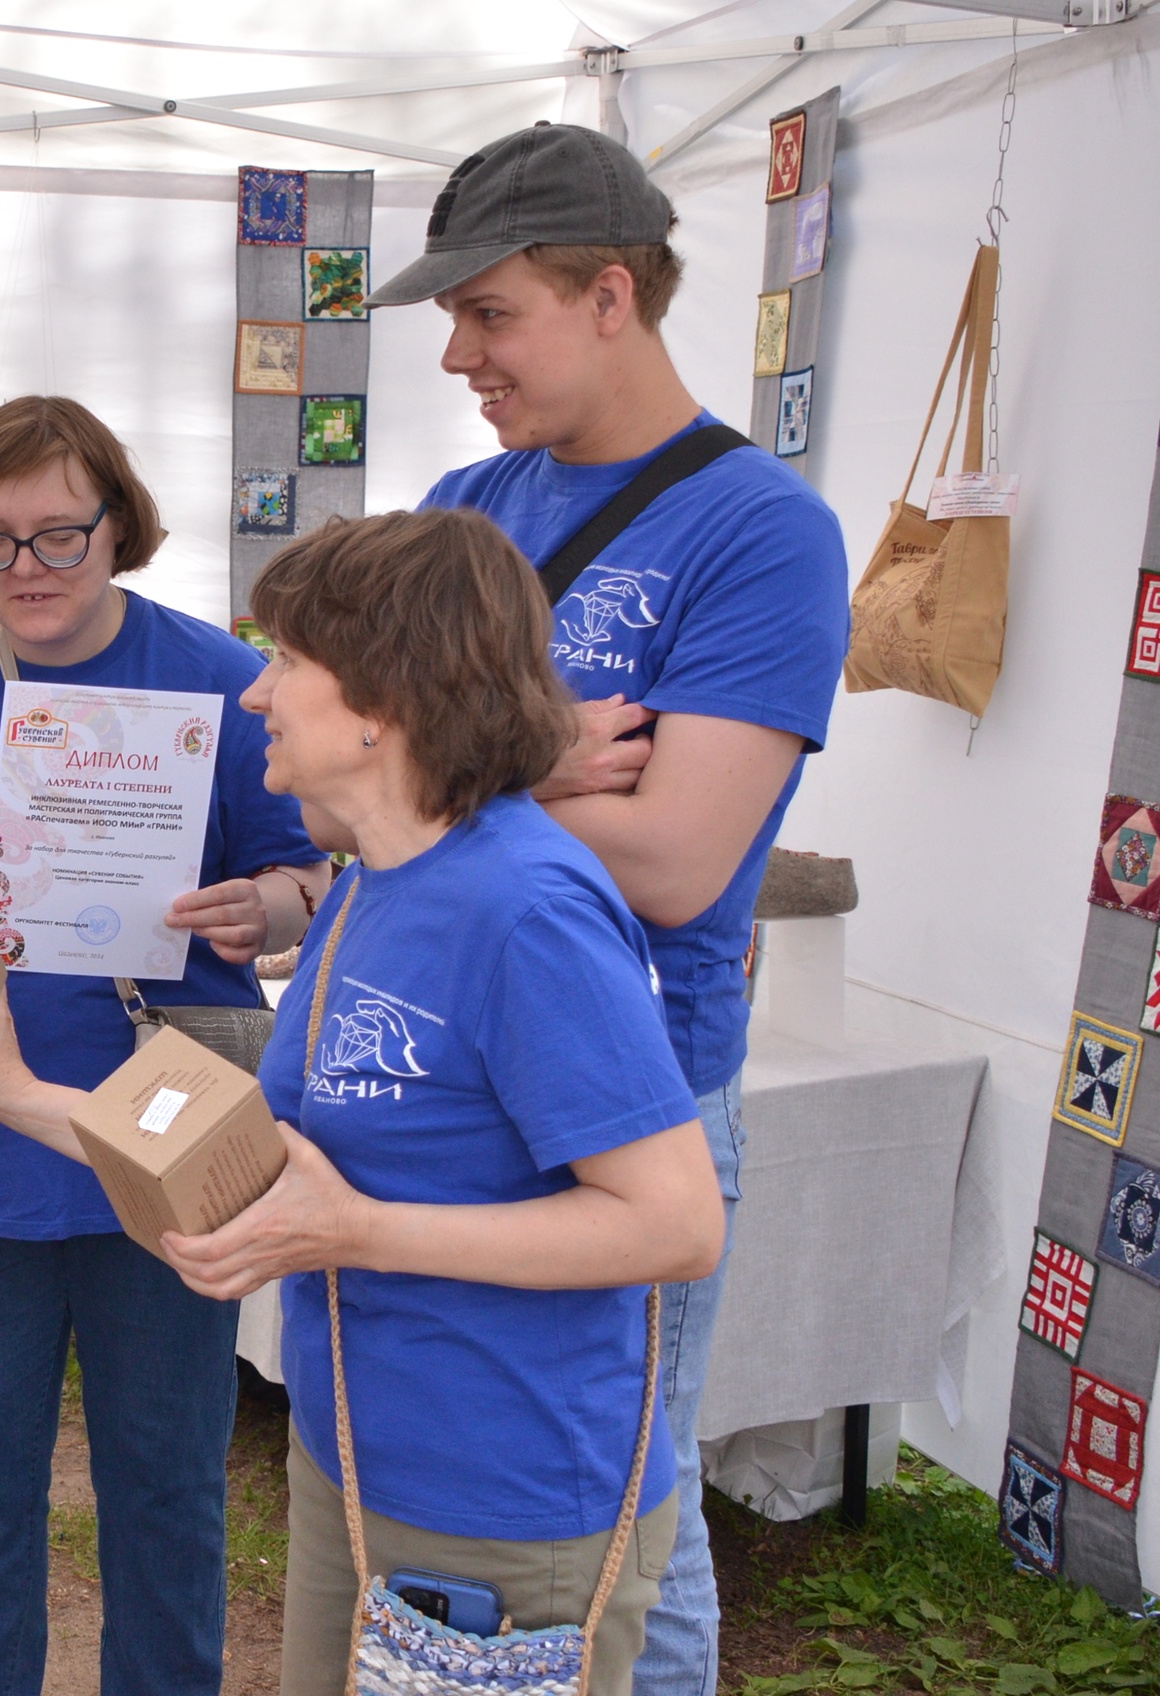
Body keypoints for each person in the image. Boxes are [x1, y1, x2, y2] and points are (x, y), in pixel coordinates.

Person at [0, 509, 725, 1696]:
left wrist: (357, 1231)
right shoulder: (372, 884)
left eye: (288, 658)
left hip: (505, 1501)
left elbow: (675, 1223)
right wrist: (15, 1090)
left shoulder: (526, 908)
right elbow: (261, 1151)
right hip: (359, 1467)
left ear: (382, 701)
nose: (255, 693)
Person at [366, 120, 851, 1696]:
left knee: (632, 1503)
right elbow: (349, 779)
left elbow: (677, 863)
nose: (460, 354)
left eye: (489, 313)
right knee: (474, 1484)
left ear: (612, 296)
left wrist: (456, 772)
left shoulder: (761, 529)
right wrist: (538, 764)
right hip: (443, 1074)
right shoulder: (466, 502)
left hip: (627, 1094)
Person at [0, 396, 327, 1696]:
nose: (25, 568)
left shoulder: (221, 676)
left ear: (117, 526)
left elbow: (313, 875)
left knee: (168, 1484)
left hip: (171, 1143)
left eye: (57, 536)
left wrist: (260, 909)